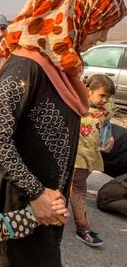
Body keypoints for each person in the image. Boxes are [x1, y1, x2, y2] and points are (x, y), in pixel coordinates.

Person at [0, 0, 126, 266]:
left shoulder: (57, 71)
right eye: (102, 27)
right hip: (12, 210)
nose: (103, 38)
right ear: (77, 18)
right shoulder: (28, 66)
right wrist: (36, 193)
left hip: (40, 209)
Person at [71, 74, 116, 247]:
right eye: (102, 95)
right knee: (75, 188)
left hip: (89, 157)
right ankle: (83, 228)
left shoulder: (104, 114)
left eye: (108, 97)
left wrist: (109, 139)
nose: (105, 100)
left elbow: (106, 130)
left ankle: (81, 228)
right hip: (74, 155)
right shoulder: (77, 106)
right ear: (88, 91)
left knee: (75, 188)